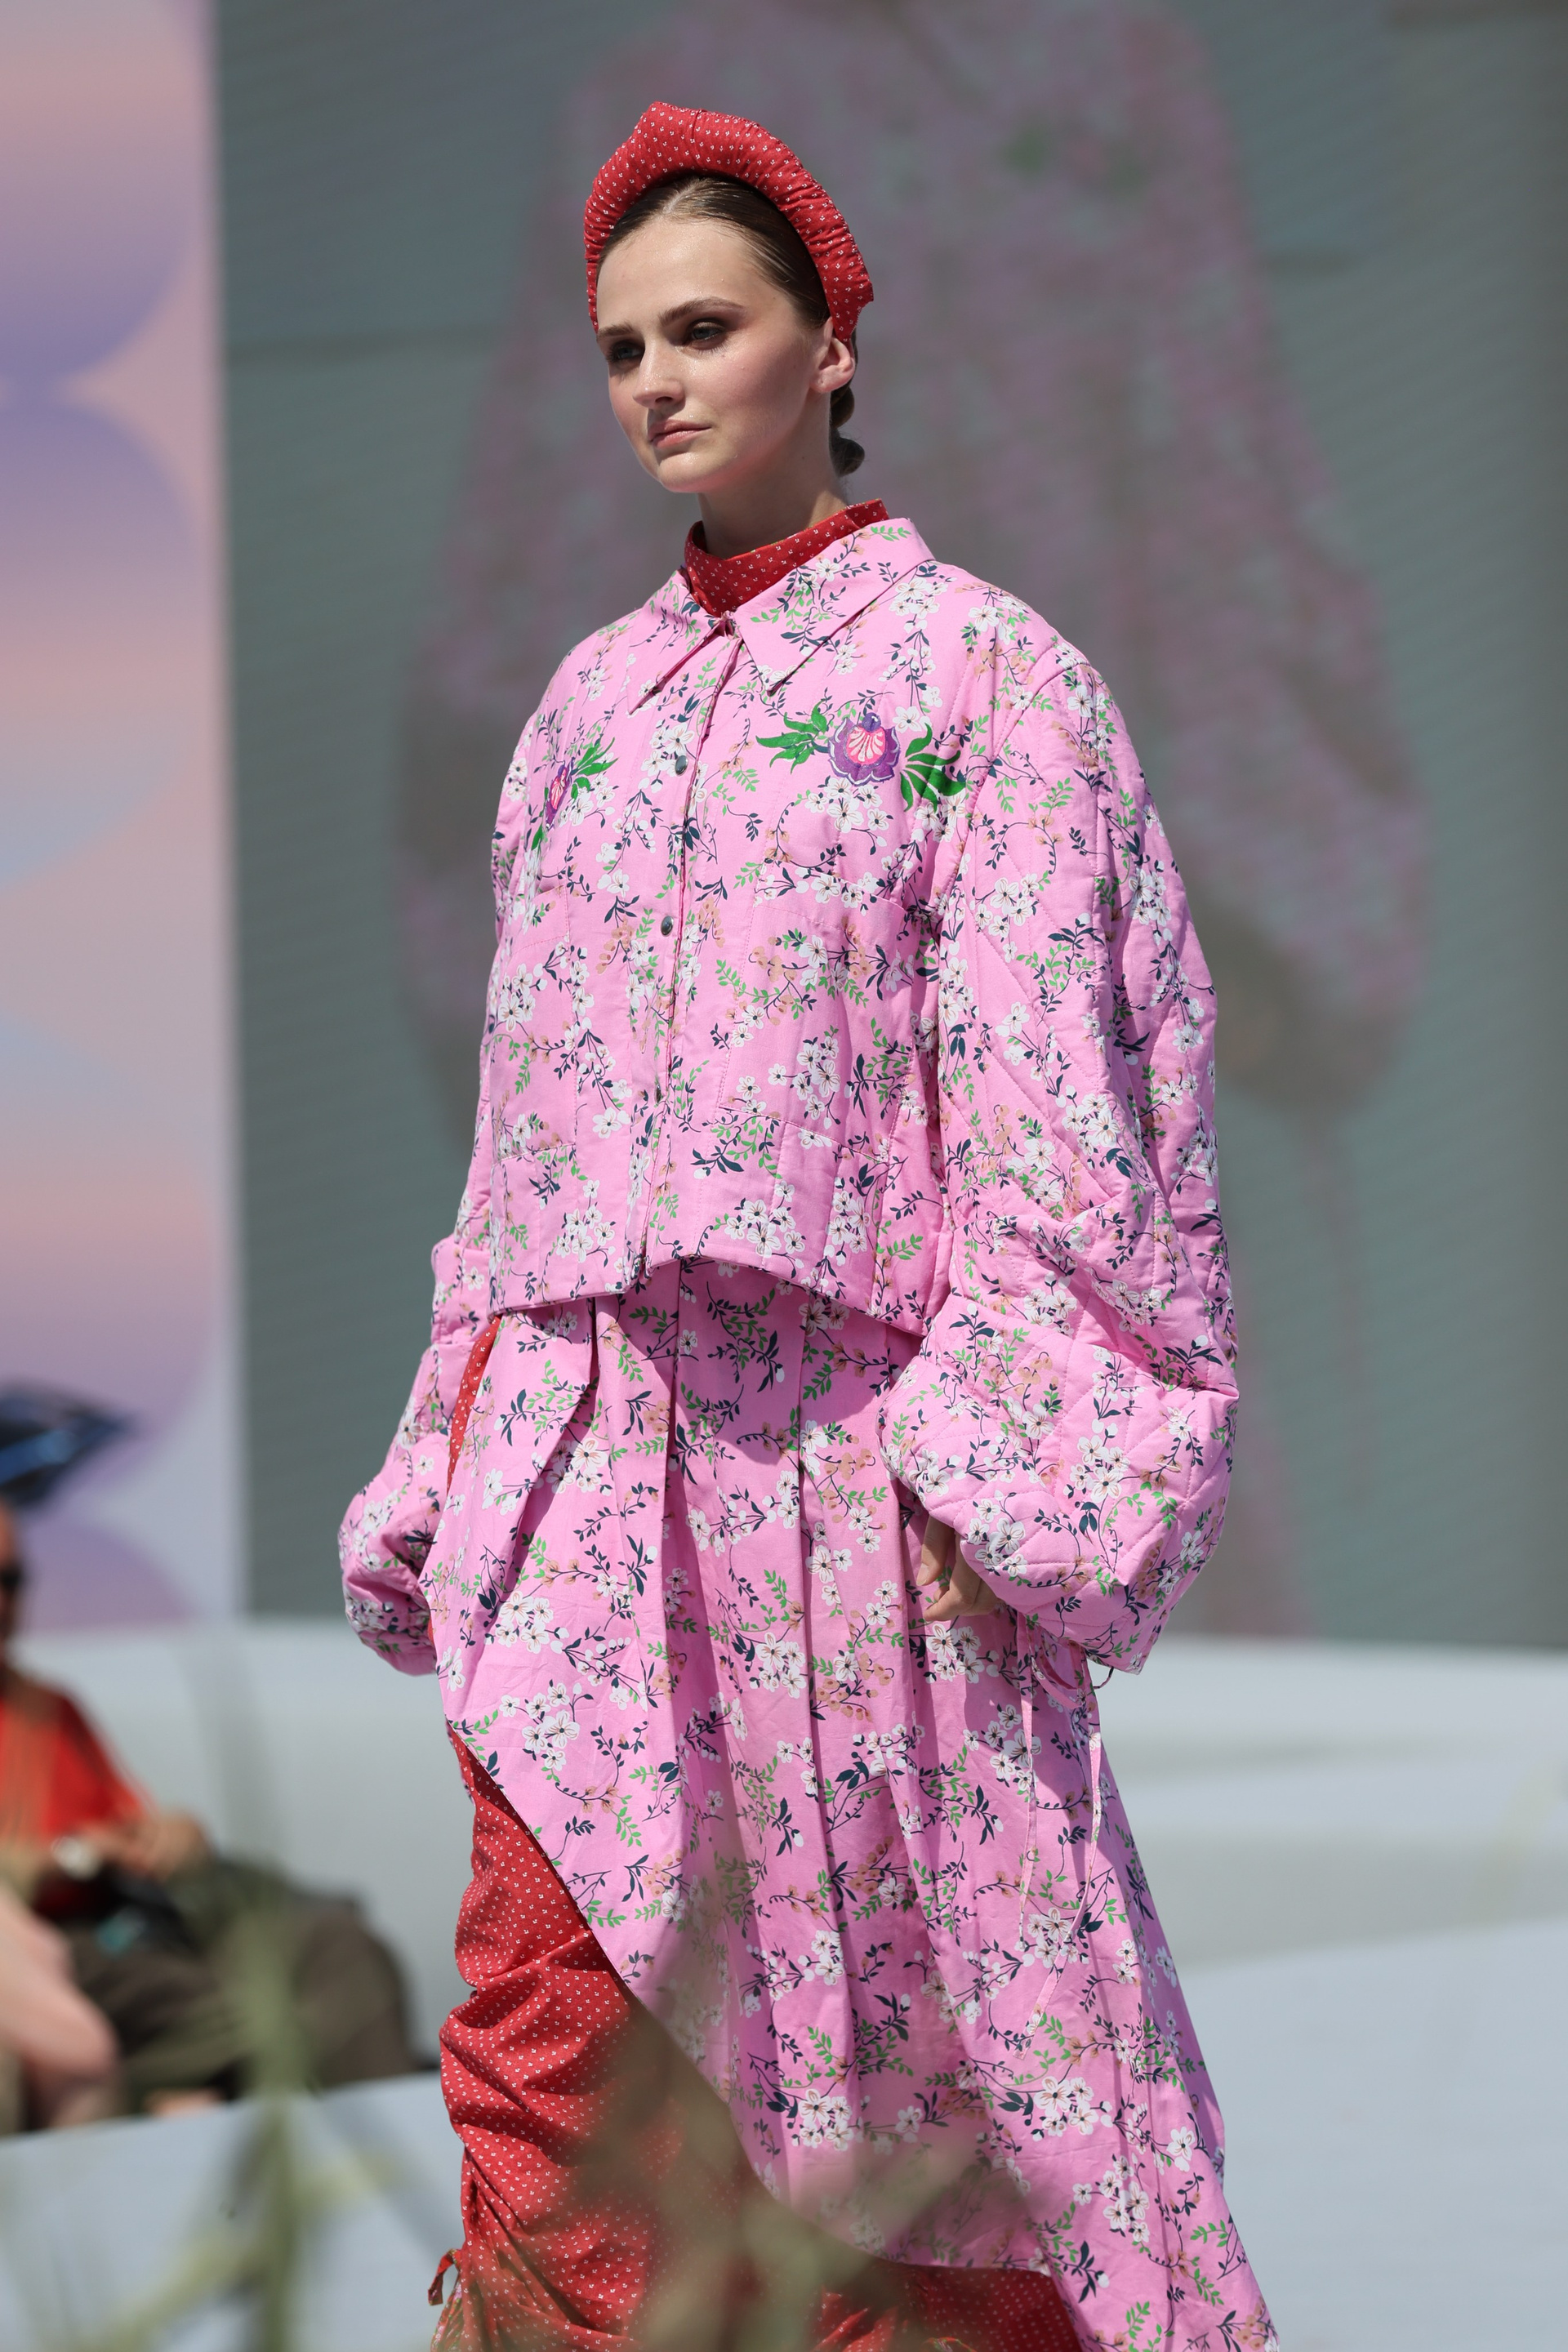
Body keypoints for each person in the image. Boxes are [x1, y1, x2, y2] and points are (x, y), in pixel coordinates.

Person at [344, 105, 1274, 2352]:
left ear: (830, 342)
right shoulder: (583, 711)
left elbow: (1068, 1105)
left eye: (704, 328)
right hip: (592, 1465)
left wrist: (1002, 1463)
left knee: (917, 2081)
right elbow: (517, 1138)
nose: (657, 381)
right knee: (554, 2023)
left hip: (863, 1489)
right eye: (620, 347)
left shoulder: (987, 683)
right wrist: (465, 1443)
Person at [0, 1500, 421, 2124]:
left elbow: (129, 1822)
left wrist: (170, 1837)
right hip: (53, 1946)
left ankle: (400, 2146)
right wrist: (74, 1855)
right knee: (264, 2008)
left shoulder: (49, 1707)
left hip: (138, 1919)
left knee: (341, 1947)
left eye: (11, 1580)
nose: (5, 1601)